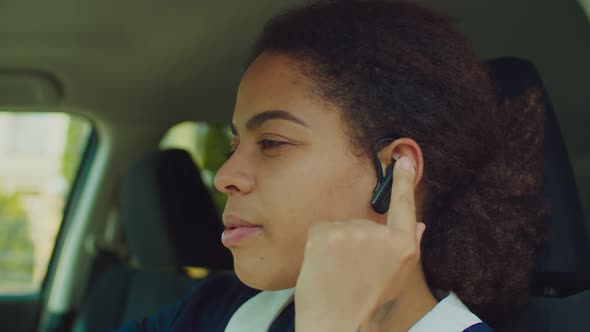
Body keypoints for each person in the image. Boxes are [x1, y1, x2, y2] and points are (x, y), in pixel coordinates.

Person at [115, 0, 547, 331]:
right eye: (234, 145)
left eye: (272, 142)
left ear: (397, 170)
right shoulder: (218, 311)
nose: (226, 176)